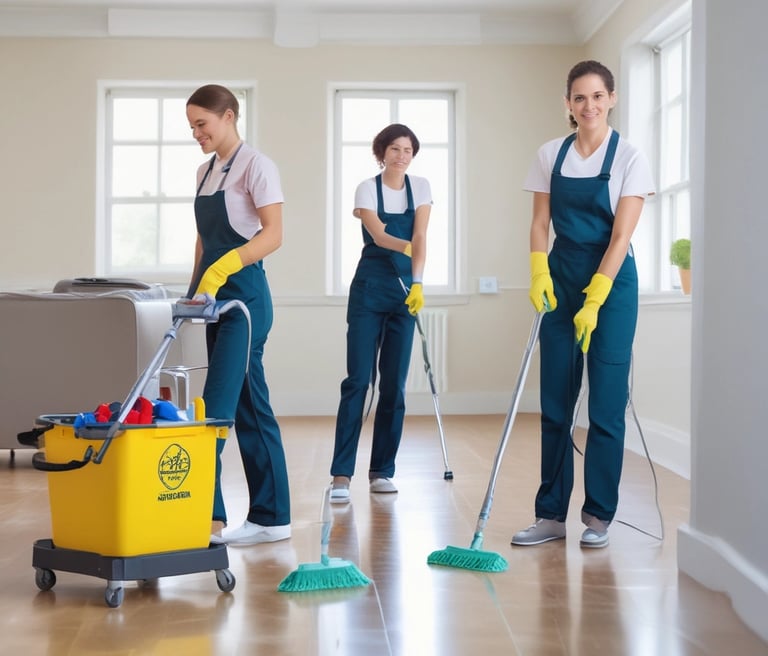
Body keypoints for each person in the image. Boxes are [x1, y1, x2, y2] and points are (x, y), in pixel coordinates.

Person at [511, 60, 655, 549]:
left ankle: (598, 517)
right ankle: (550, 515)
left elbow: (621, 236)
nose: (588, 105)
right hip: (561, 277)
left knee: (607, 403)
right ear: (568, 105)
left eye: (597, 96)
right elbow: (538, 224)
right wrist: (538, 272)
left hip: (611, 286)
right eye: (579, 97)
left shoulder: (631, 157)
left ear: (611, 98)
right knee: (555, 400)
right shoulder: (551, 154)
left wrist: (596, 297)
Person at [185, 84, 290, 545]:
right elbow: (204, 242)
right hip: (215, 303)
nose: (196, 133)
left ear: (229, 116)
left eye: (202, 124)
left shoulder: (257, 166)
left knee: (217, 406)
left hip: (245, 302)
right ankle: (271, 517)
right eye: (191, 126)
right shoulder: (204, 172)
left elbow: (273, 234)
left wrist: (225, 267)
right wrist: (193, 291)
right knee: (249, 406)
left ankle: (209, 520)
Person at [329, 123, 432, 503]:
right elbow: (379, 235)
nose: (401, 156)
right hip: (369, 291)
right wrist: (411, 249)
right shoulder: (366, 189)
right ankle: (341, 475)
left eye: (408, 150)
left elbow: (422, 235)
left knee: (394, 385)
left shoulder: (420, 187)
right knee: (358, 381)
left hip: (405, 294)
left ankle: (381, 471)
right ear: (381, 152)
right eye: (394, 149)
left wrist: (418, 282)